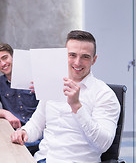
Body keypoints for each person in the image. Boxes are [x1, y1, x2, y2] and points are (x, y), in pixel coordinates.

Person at [11, 30, 121, 163]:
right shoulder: (52, 84)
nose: (77, 62)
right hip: (43, 158)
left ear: (94, 60)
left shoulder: (105, 94)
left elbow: (103, 145)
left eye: (85, 57)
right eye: (72, 55)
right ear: (64, 56)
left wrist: (77, 106)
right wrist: (24, 132)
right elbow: (36, 125)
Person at [0, 43, 38, 129]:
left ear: (13, 57)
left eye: (5, 58)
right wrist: (6, 113)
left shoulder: (34, 78)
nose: (3, 64)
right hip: (15, 133)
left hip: (39, 132)